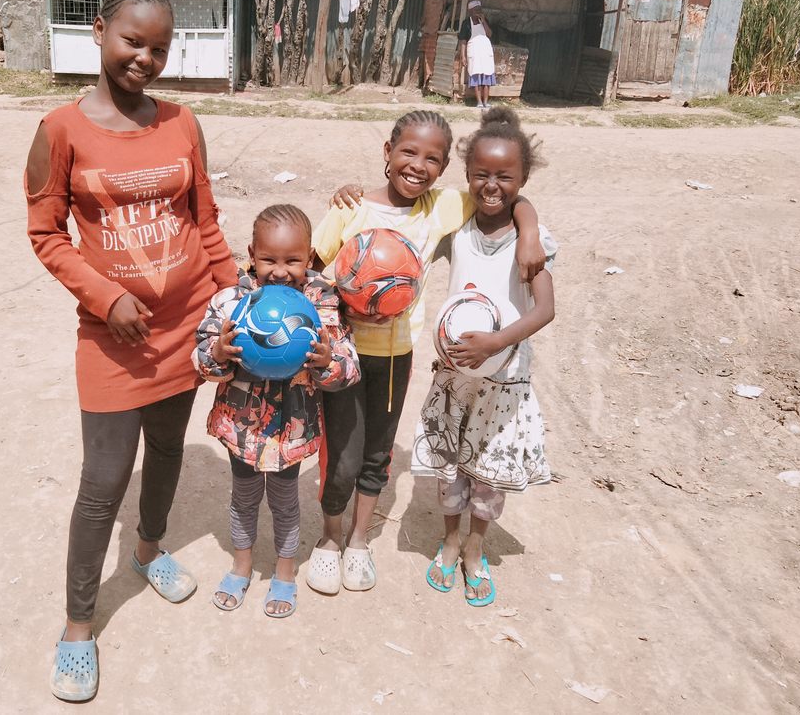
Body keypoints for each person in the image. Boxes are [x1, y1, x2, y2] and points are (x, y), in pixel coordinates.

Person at [24, 0, 238, 702]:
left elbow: (205, 222)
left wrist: (234, 298)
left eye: (159, 48)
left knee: (169, 450)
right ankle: (78, 629)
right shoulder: (60, 130)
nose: (145, 58)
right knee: (103, 482)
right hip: (113, 340)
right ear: (98, 31)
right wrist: (105, 296)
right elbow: (46, 235)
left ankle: (149, 550)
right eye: (132, 41)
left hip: (187, 327)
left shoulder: (183, 123)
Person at [306, 110, 545, 595]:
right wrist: (345, 304)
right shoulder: (351, 210)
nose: (418, 165)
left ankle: (358, 541)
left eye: (433, 159)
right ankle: (329, 539)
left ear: (444, 169)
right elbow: (307, 272)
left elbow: (507, 196)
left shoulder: (441, 208)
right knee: (343, 460)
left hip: (396, 357)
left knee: (376, 455)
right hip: (343, 354)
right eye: (408, 152)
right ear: (388, 152)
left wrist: (531, 229)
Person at [412, 106, 557, 606]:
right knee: (451, 465)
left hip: (504, 378)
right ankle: (450, 542)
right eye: (480, 174)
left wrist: (496, 343)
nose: (491, 185)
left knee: (489, 472)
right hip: (455, 374)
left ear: (523, 179)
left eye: (505, 177)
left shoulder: (531, 243)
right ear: (467, 174)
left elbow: (545, 309)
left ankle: (476, 549)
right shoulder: (457, 229)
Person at [193, 204, 360, 618]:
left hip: (291, 431)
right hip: (241, 427)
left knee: (285, 502)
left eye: (293, 260)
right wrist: (218, 354)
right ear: (252, 254)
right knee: (243, 499)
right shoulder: (232, 300)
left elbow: (349, 367)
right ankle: (241, 565)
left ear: (310, 257)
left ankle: (285, 572)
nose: (280, 271)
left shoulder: (323, 302)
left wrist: (326, 363)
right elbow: (201, 358)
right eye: (269, 259)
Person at [460, 0, 495, 109]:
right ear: (470, 11)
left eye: (479, 9)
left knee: (487, 76)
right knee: (476, 76)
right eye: (476, 10)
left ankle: (486, 102)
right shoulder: (466, 23)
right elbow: (463, 41)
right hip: (474, 52)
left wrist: (483, 21)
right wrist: (463, 56)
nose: (478, 12)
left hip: (485, 52)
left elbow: (489, 34)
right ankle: (479, 102)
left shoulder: (484, 21)